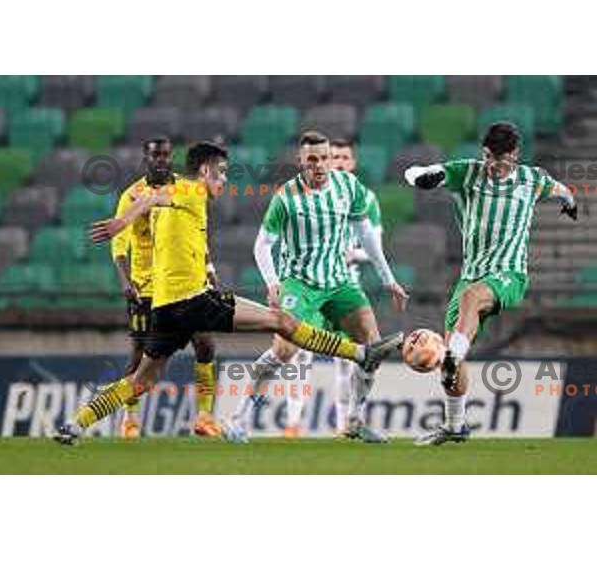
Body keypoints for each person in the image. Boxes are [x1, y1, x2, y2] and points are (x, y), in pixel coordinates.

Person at [55, 141, 403, 445]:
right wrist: (122, 222)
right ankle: (360, 353)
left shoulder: (185, 196)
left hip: (164, 307)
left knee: (141, 380)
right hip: (194, 301)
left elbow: (154, 199)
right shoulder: (191, 191)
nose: (223, 180)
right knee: (282, 320)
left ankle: (75, 424)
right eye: (221, 173)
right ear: (205, 170)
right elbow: (153, 196)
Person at [223, 131, 408, 444]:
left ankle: (354, 421)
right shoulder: (286, 197)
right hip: (300, 283)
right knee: (284, 351)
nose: (320, 165)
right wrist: (273, 283)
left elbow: (368, 237)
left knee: (372, 347)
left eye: (324, 158)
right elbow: (262, 244)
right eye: (312, 160)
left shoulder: (349, 187)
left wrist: (388, 279)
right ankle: (238, 419)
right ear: (300, 162)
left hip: (338, 282)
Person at [405, 122, 577, 445]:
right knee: (451, 357)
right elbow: (420, 171)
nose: (492, 167)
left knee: (467, 312)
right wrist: (423, 178)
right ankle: (455, 425)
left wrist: (570, 203)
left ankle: (453, 355)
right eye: (487, 157)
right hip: (471, 273)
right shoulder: (468, 172)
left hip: (509, 274)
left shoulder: (532, 178)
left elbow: (561, 189)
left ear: (515, 155)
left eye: (500, 160)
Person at [110, 138, 222, 438]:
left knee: (206, 343)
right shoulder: (132, 195)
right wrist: (126, 281)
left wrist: (209, 271)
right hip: (146, 287)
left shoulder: (185, 189)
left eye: (165, 155)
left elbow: (196, 235)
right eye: (155, 155)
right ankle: (130, 419)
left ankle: (204, 416)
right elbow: (119, 245)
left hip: (184, 285)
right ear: (145, 158)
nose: (161, 160)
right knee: (139, 358)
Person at [281, 138, 388, 437]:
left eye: (344, 157)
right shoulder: (307, 195)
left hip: (343, 286)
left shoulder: (364, 197)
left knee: (346, 360)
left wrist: (354, 253)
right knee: (300, 354)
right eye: (335, 156)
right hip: (310, 284)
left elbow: (375, 243)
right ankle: (292, 423)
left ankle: (345, 424)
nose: (339, 162)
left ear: (352, 163)